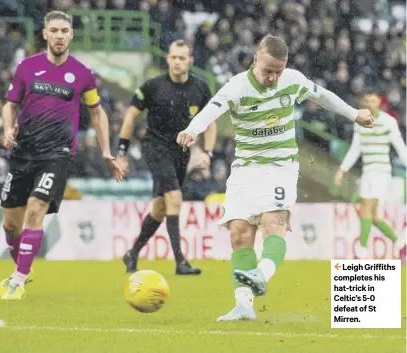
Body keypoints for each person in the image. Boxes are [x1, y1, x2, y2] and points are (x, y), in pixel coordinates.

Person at [176, 34, 374, 321]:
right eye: (268, 70)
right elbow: (212, 110)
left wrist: (354, 113)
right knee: (240, 234)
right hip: (245, 169)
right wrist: (192, 130)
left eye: (277, 72)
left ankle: (262, 273)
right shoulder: (237, 87)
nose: (272, 77)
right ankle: (244, 305)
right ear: (256, 59)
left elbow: (322, 95)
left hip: (280, 165)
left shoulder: (292, 79)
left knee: (274, 222)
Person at [0, 10, 123, 300]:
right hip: (24, 151)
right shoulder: (27, 68)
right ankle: (22, 267)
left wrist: (106, 151)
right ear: (45, 34)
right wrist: (6, 128)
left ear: (71, 35)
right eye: (55, 30)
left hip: (57, 153)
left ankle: (19, 280)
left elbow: (97, 112)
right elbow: (9, 104)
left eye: (65, 30)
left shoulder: (83, 74)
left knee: (36, 208)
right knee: (11, 224)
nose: (60, 35)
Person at [117, 40, 217, 275]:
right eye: (174, 57)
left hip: (181, 152)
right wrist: (122, 152)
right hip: (155, 148)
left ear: (191, 60)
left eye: (183, 58)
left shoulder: (201, 88)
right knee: (174, 197)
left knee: (160, 208)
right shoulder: (153, 86)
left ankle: (132, 254)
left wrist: (208, 152)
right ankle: (180, 262)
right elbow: (130, 117)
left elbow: (211, 122)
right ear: (168, 59)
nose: (178, 61)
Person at [334, 89, 406, 259]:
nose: (369, 104)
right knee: (373, 215)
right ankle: (399, 241)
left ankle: (362, 250)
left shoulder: (389, 122)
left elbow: (400, 147)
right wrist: (342, 170)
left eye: (372, 101)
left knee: (366, 207)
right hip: (367, 172)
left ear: (379, 102)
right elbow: (355, 149)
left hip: (381, 172)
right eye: (366, 101)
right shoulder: (359, 121)